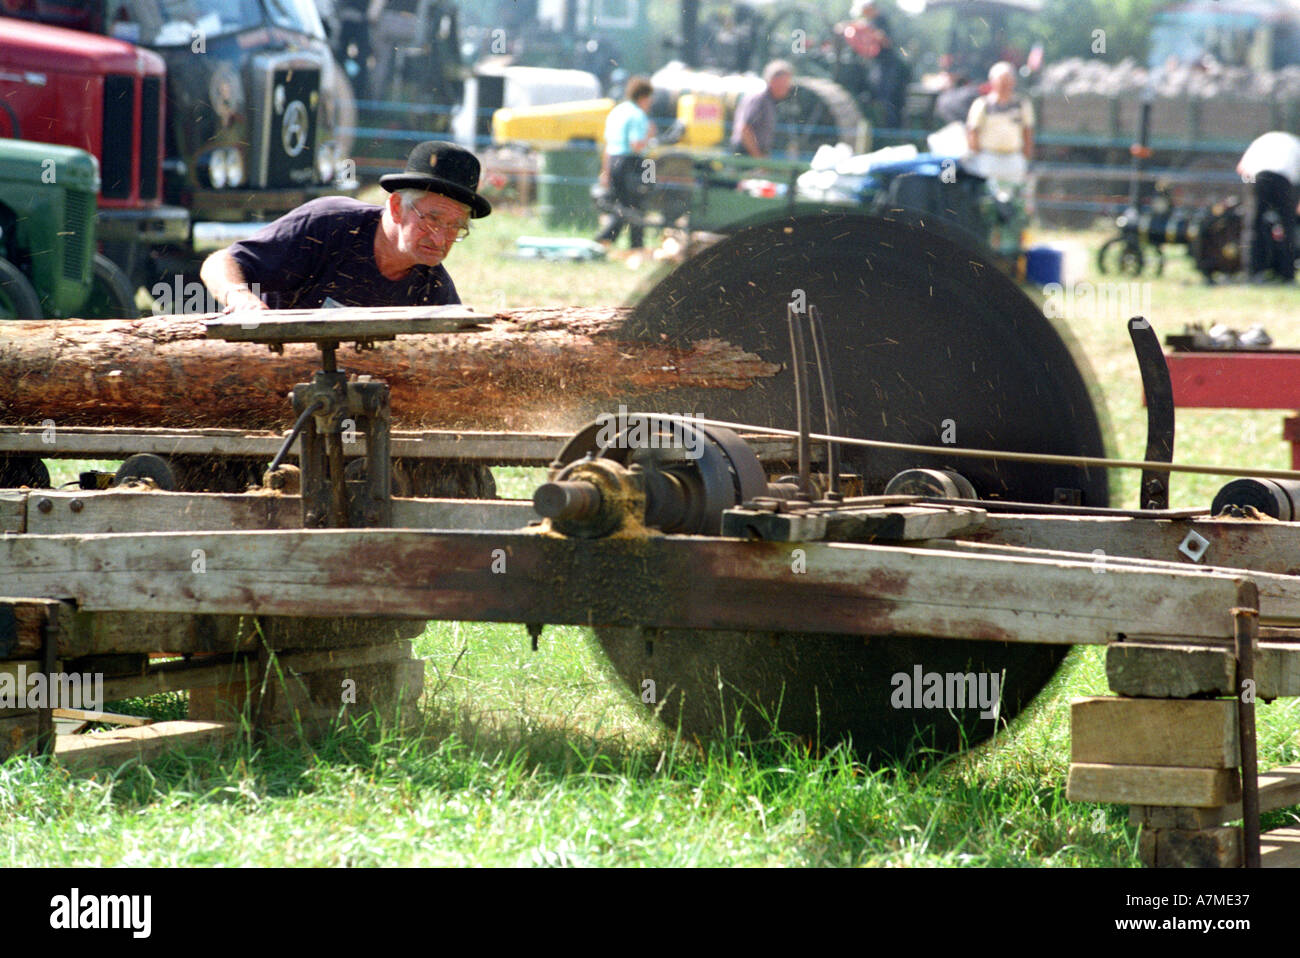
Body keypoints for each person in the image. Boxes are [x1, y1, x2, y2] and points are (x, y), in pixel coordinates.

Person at [200, 140, 490, 311]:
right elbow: (219, 262)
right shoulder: (329, 224)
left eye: (455, 227)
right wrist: (240, 300)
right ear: (397, 207)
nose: (441, 238)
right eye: (433, 219)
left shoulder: (434, 288)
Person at [595, 76, 656, 253]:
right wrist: (650, 135)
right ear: (643, 97)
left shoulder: (617, 111)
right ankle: (621, 243)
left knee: (621, 205)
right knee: (636, 205)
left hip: (613, 161)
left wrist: (605, 172)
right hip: (632, 163)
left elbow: (607, 145)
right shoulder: (638, 116)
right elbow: (636, 145)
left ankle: (616, 242)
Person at [1237, 131, 1300, 283]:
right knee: (1287, 227)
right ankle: (1287, 273)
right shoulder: (1295, 144)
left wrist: (1251, 188)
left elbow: (1242, 168)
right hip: (1284, 180)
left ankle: (1252, 272)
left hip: (1258, 177)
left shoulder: (1261, 140)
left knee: (1253, 226)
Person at [965, 61, 1034, 187]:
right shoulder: (982, 104)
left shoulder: (1022, 104)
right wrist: (978, 154)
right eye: (1001, 79)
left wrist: (1026, 157)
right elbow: (972, 131)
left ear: (1014, 81)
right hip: (988, 159)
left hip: (1014, 158)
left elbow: (1027, 131)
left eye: (1008, 79)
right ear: (992, 81)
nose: (1005, 83)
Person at [731, 60, 794, 159]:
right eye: (785, 82)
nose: (788, 87)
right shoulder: (760, 99)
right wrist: (759, 159)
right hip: (745, 155)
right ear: (773, 81)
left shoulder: (771, 100)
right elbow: (745, 130)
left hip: (756, 154)